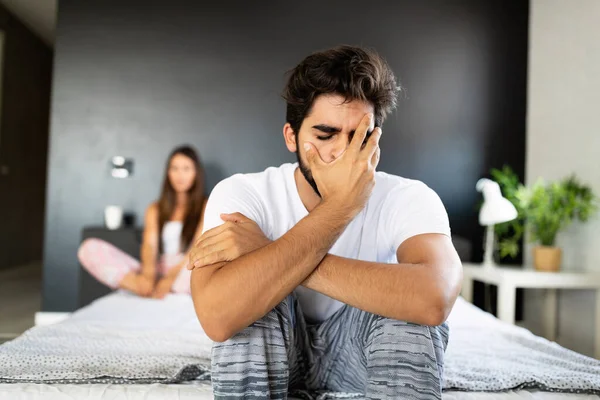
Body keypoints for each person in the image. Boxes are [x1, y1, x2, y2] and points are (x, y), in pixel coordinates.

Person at [189, 46, 462, 399]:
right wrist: (339, 209)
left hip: (362, 348)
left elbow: (435, 298)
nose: (341, 154)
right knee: (249, 304)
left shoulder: (409, 196)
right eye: (325, 135)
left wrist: (278, 251)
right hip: (280, 345)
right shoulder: (243, 194)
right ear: (291, 137)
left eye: (358, 138)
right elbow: (217, 318)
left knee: (410, 317)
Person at [78, 145, 207, 299]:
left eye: (186, 169)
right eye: (175, 168)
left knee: (199, 271)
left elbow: (196, 248)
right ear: (168, 172)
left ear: (196, 173)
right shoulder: (155, 208)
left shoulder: (206, 206)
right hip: (159, 269)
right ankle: (142, 288)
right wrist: (148, 276)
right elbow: (149, 246)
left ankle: (167, 289)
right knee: (88, 248)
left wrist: (170, 279)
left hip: (186, 269)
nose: (180, 175)